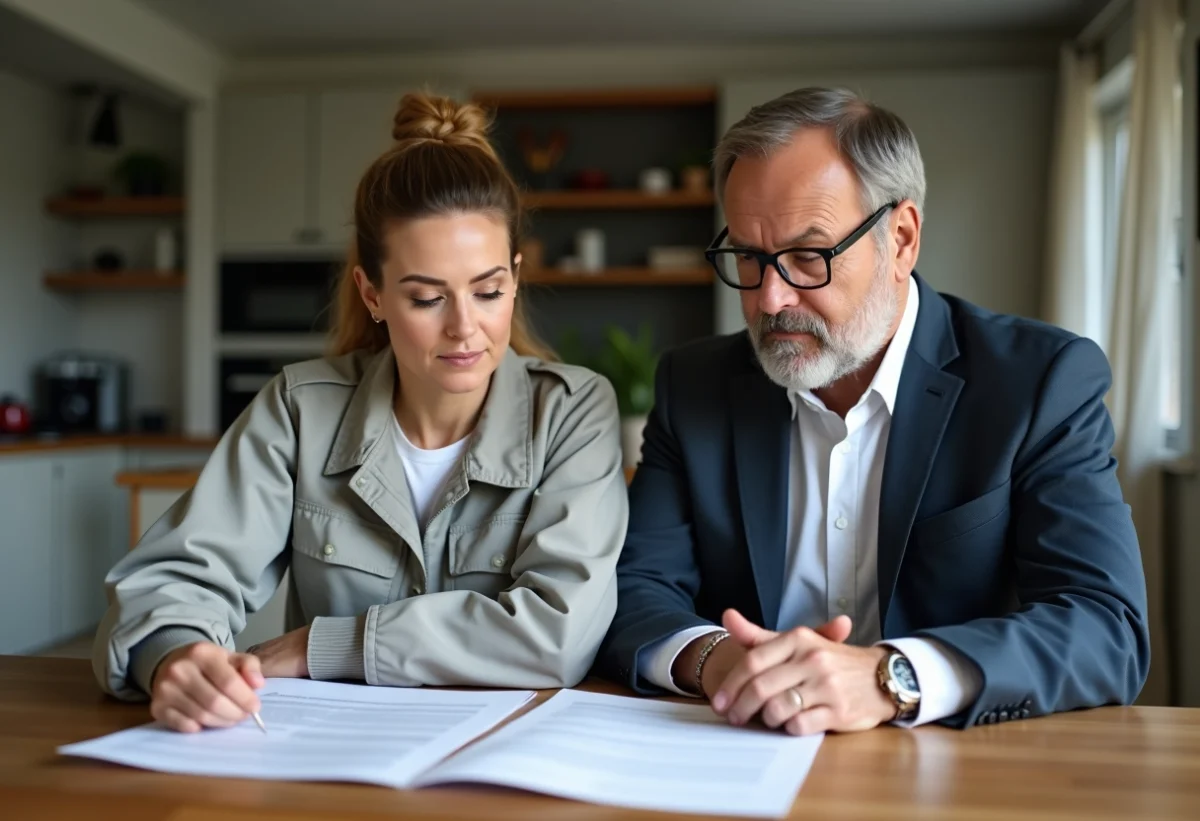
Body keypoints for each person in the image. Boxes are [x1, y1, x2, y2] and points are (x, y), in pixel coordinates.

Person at [596, 87, 1149, 734]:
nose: (771, 299)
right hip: (740, 749)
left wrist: (892, 676)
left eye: (809, 256)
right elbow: (632, 590)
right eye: (748, 256)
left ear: (903, 238)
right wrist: (719, 661)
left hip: (955, 769)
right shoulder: (693, 387)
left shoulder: (1037, 382)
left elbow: (1104, 624)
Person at [94, 92, 628, 732]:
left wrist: (322, 646)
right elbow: (175, 581)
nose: (465, 327)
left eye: (488, 291)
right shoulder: (299, 410)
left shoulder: (573, 413)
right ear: (372, 293)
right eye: (428, 298)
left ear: (515, 277)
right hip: (329, 756)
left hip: (503, 761)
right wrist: (174, 655)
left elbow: (559, 634)